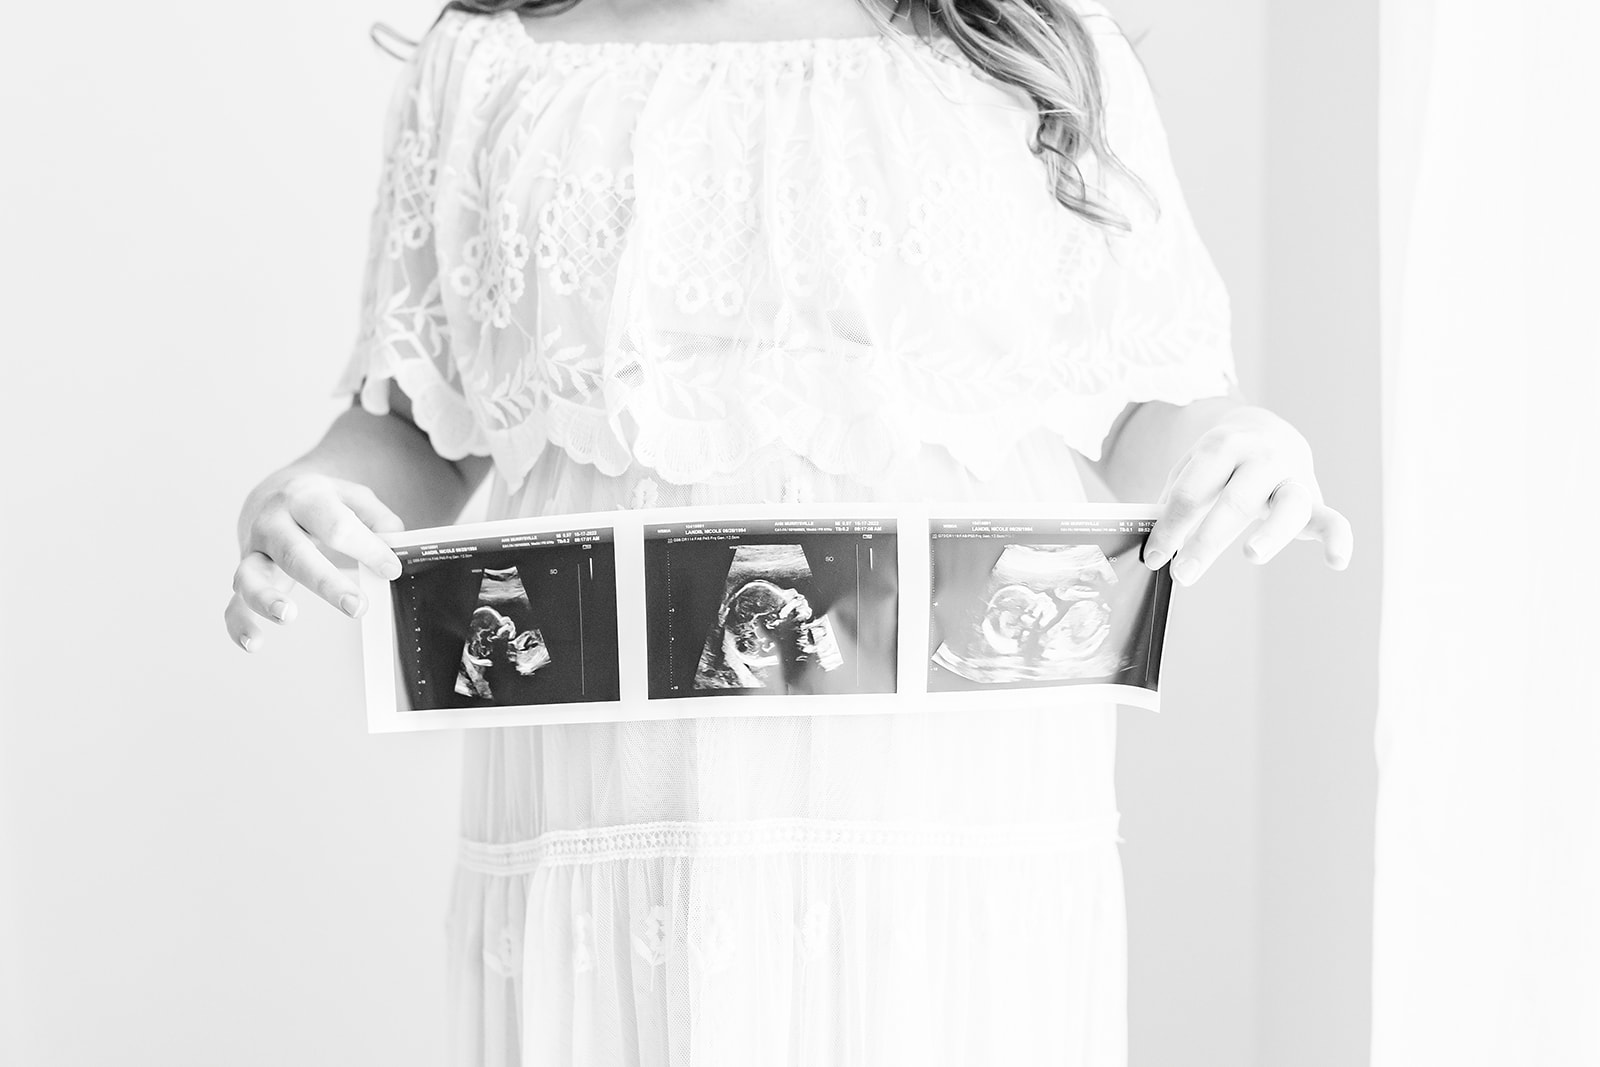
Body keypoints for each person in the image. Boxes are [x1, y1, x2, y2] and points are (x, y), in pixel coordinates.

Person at [223, 0, 1352, 1063]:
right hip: (611, 796)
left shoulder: (1035, 46)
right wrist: (316, 492)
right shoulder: (491, 65)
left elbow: (1142, 396)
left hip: (943, 796)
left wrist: (1235, 443)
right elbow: (424, 421)